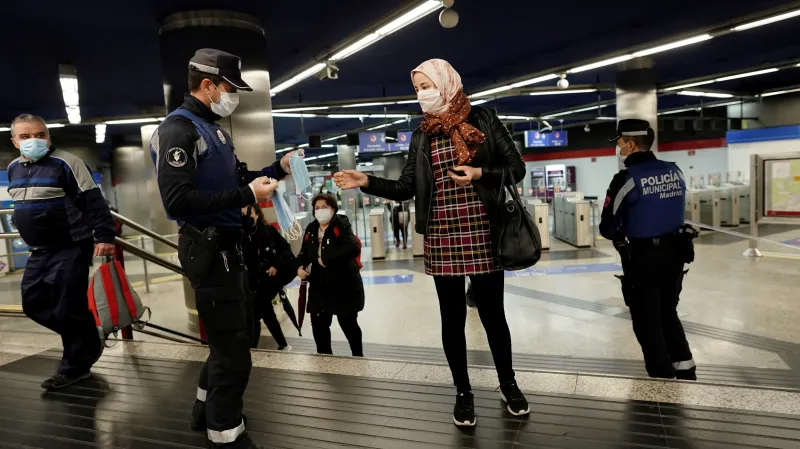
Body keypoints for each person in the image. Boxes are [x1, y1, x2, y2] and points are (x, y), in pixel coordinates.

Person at [334, 59, 530, 427]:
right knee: (452, 318)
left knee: (492, 314)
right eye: (418, 88)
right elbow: (407, 187)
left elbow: (515, 167)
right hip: (442, 235)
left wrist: (479, 173)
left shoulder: (484, 119)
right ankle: (463, 392)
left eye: (427, 85)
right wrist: (367, 181)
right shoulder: (423, 134)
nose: (422, 94)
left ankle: (508, 383)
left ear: (447, 82)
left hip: (484, 231)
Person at [151, 48, 297, 449]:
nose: (233, 95)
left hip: (230, 250)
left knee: (230, 339)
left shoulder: (211, 129)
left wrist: (275, 171)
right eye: (230, 87)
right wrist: (245, 194)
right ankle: (225, 433)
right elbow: (177, 200)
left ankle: (203, 411)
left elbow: (236, 180)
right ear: (208, 85)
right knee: (233, 350)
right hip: (210, 250)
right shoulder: (178, 131)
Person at [6, 114, 115, 390]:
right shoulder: (14, 168)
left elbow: (94, 202)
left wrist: (104, 235)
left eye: (40, 134)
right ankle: (88, 339)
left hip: (71, 247)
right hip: (38, 251)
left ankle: (75, 366)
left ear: (48, 136)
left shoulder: (67, 162)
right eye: (26, 136)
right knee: (33, 304)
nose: (34, 140)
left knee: (68, 307)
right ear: (14, 141)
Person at [600, 119, 696, 381]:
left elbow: (607, 227)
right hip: (676, 253)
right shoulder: (674, 171)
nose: (619, 149)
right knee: (668, 311)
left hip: (644, 257)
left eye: (620, 143)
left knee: (646, 318)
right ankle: (685, 367)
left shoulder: (626, 178)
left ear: (631, 144)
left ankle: (661, 376)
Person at [296, 194, 364, 357]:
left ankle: (358, 356)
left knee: (348, 323)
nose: (320, 211)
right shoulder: (311, 229)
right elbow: (304, 253)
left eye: (324, 207)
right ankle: (325, 359)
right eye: (317, 208)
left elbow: (353, 247)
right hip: (319, 285)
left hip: (343, 284)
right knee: (318, 325)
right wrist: (298, 267)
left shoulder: (341, 224)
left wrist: (325, 259)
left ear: (333, 209)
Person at [241, 204, 295, 350]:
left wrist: (275, 265)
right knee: (265, 311)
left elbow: (285, 250)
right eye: (242, 212)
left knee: (255, 311)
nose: (245, 215)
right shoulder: (242, 235)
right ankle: (283, 344)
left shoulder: (269, 231)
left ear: (257, 214)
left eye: (249, 212)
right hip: (252, 280)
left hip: (269, 278)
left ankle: (252, 348)